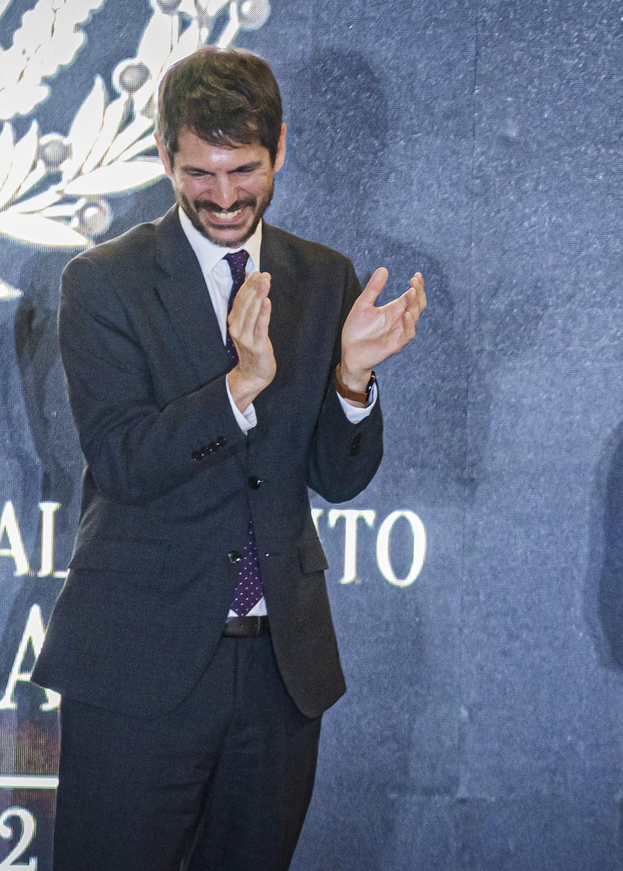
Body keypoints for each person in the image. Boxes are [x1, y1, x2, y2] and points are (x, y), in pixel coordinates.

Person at [32, 47, 426, 869]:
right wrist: (240, 387)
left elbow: (340, 476)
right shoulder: (104, 283)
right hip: (140, 667)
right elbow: (124, 459)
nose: (222, 196)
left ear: (280, 147)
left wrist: (353, 377)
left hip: (281, 673)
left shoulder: (323, 278)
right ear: (164, 155)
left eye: (242, 170)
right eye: (199, 173)